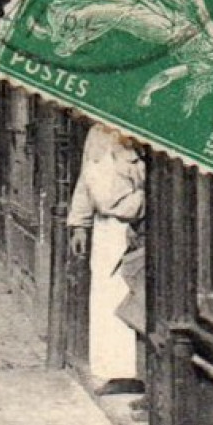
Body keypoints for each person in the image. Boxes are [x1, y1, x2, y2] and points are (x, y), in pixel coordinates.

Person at [66, 123, 147, 396]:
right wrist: (79, 224)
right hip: (104, 227)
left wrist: (139, 208)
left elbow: (147, 184)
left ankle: (131, 371)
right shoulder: (96, 134)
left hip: (130, 226)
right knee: (103, 294)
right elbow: (84, 181)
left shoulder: (136, 134)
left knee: (127, 293)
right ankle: (111, 369)